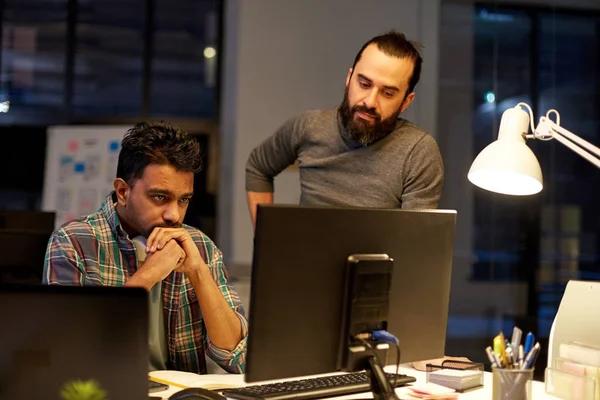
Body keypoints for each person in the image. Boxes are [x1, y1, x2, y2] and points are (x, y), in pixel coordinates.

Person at [43, 121, 247, 374]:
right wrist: (148, 275)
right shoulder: (73, 242)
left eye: (183, 200)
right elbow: (69, 354)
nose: (174, 215)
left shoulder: (200, 246)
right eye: (160, 197)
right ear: (122, 191)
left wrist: (198, 272)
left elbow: (239, 358)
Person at [246, 30, 444, 226]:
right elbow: (258, 167)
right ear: (349, 79)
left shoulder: (418, 152)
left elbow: (415, 244)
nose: (370, 101)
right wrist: (265, 240)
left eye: (388, 93)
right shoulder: (309, 126)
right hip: (305, 257)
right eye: (364, 84)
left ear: (406, 102)